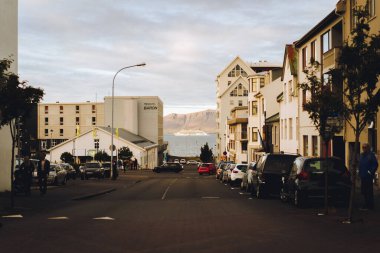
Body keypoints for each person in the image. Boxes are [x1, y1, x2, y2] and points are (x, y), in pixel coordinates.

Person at [358, 143, 378, 210]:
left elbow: (375, 164)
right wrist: (359, 172)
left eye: (365, 147)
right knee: (364, 191)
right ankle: (366, 204)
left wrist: (370, 172)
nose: (364, 148)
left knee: (369, 191)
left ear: (368, 148)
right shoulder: (361, 155)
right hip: (363, 175)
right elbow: (360, 164)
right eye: (363, 147)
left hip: (368, 176)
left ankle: (370, 205)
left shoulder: (371, 155)